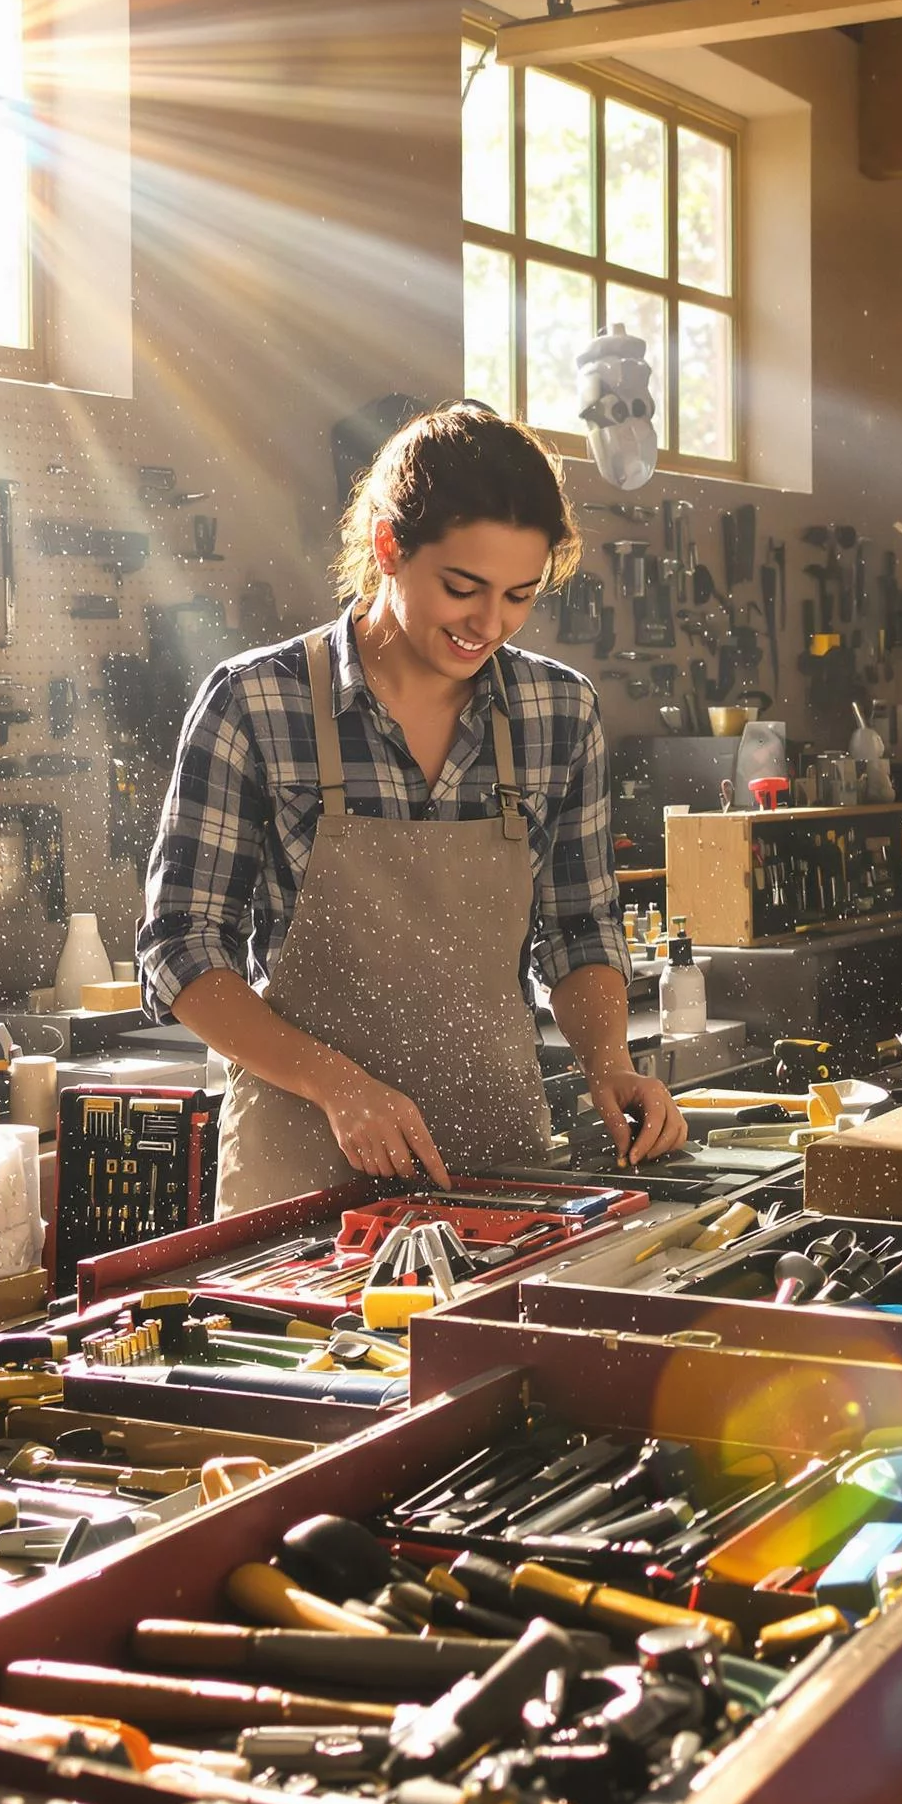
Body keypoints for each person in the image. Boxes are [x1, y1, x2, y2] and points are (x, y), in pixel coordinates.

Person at [137, 402, 687, 1216]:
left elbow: (580, 929)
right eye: (462, 588)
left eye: (520, 595)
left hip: (498, 1167)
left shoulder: (560, 712)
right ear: (389, 546)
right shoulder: (256, 703)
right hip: (300, 1173)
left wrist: (608, 1063)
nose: (488, 624)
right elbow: (180, 949)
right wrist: (337, 1084)